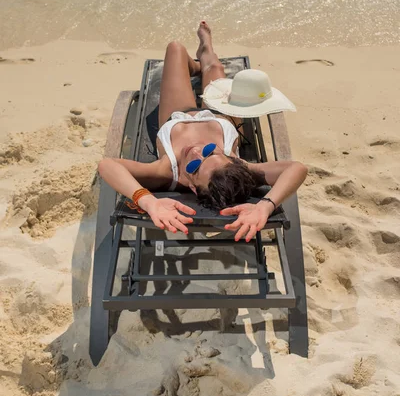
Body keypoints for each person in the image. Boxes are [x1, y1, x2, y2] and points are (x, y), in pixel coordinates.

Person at [98, 21, 308, 242]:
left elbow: (107, 165)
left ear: (194, 189)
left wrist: (148, 201)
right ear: (231, 159)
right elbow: (297, 168)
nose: (195, 151)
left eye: (194, 167)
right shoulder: (241, 168)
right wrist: (265, 206)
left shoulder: (165, 172)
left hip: (178, 113)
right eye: (210, 151)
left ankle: (193, 64)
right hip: (220, 115)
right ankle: (205, 47)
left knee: (175, 48)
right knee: (214, 68)